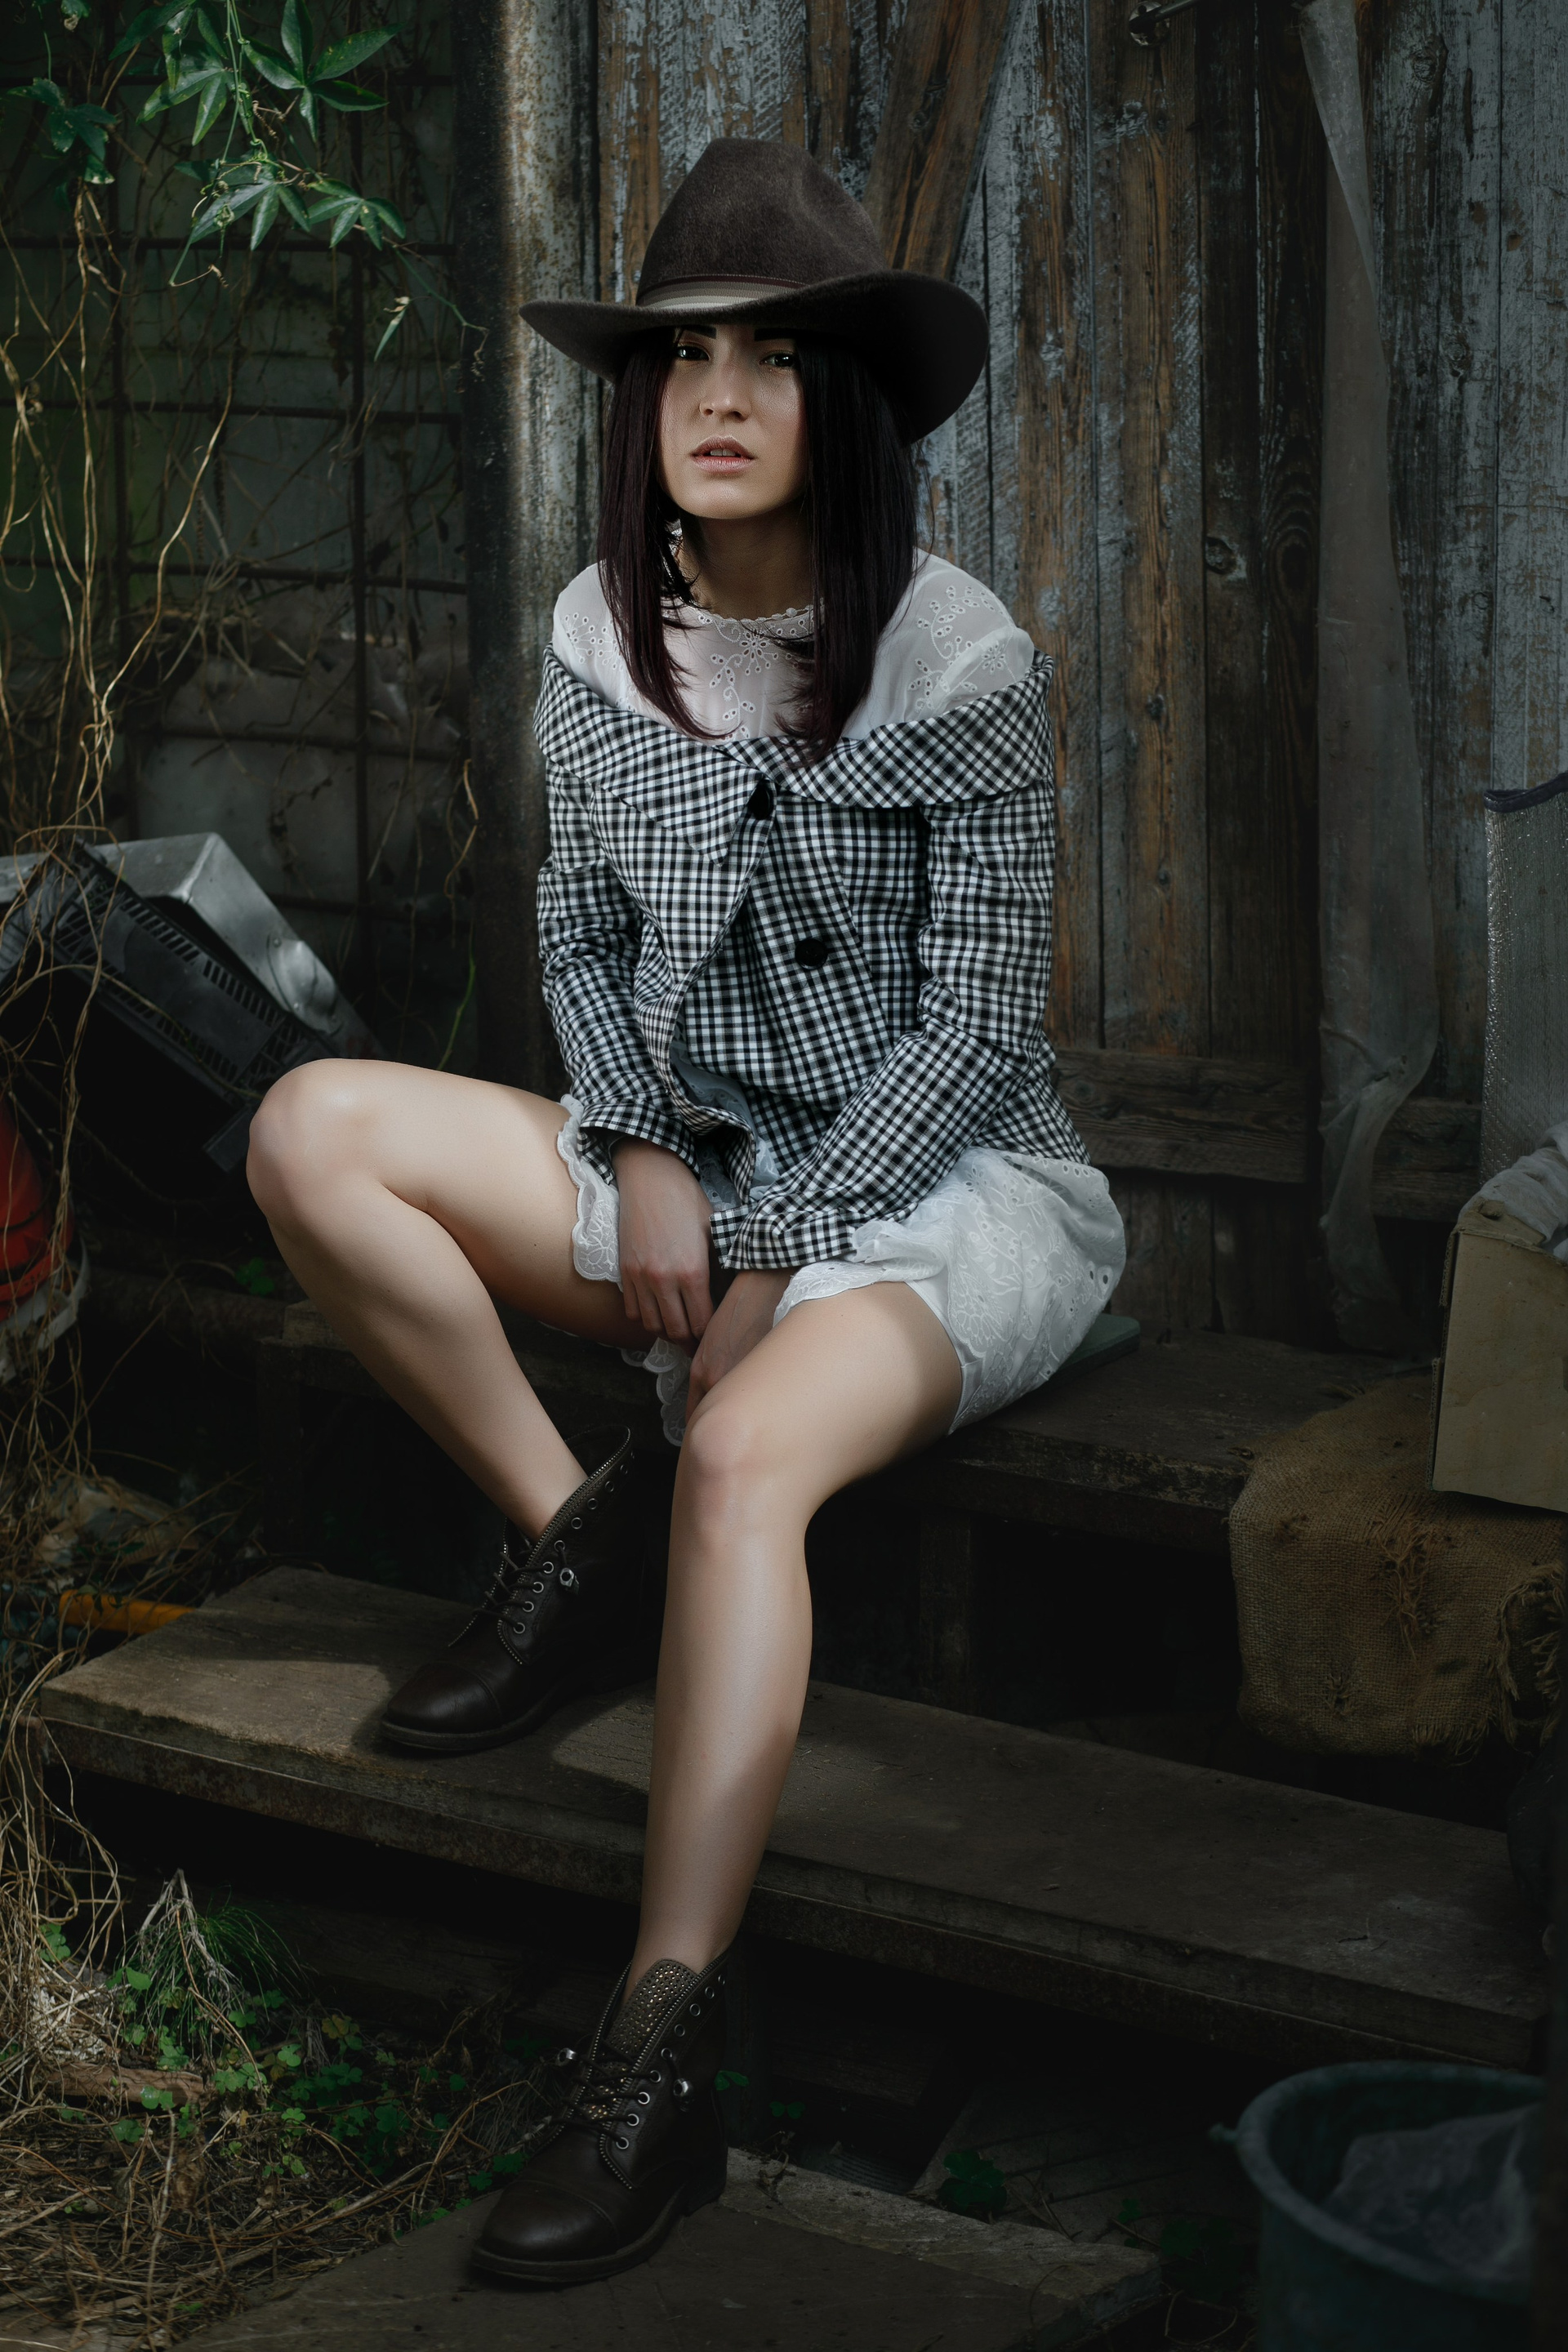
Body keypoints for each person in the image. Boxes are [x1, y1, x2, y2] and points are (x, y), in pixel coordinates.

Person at [247, 137, 1124, 2287]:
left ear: (849, 403)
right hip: (695, 1153)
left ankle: (654, 2062)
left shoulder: (957, 658)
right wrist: (640, 1148)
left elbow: (978, 1026)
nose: (720, 398)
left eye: (775, 359)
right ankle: (575, 1536)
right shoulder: (600, 631)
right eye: (683, 360)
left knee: (738, 1453)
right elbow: (579, 927)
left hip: (945, 1185)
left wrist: (778, 1246)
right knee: (308, 1130)